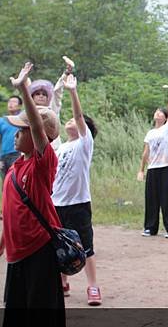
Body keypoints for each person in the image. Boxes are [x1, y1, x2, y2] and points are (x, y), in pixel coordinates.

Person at [0, 62, 64, 327]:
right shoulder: (15, 168)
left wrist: (24, 89)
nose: (17, 133)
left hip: (39, 252)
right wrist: (3, 243)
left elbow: (38, 128)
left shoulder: (42, 163)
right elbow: (12, 213)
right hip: (17, 255)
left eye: (22, 129)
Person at [51, 74, 101, 306]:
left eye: (75, 121)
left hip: (78, 204)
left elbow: (79, 116)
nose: (70, 121)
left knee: (86, 247)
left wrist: (73, 91)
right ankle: (63, 282)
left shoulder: (84, 143)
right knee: (59, 245)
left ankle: (93, 286)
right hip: (56, 204)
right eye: (68, 120)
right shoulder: (60, 148)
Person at [137, 85, 168, 239]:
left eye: (160, 112)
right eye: (156, 111)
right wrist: (141, 170)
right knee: (151, 199)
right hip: (153, 168)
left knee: (167, 198)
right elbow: (145, 153)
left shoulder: (167, 128)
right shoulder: (150, 132)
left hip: (165, 167)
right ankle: (150, 227)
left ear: (164, 117)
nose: (157, 113)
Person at [0, 96, 22, 178]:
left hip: (17, 154)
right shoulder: (2, 120)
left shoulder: (22, 118)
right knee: (5, 182)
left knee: (15, 180)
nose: (11, 104)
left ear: (20, 105)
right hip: (4, 156)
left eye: (14, 102)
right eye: (9, 102)